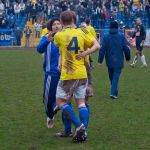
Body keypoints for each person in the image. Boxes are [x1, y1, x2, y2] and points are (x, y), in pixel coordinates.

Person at [54, 11, 100, 142]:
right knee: (81, 103)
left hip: (68, 74)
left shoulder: (59, 35)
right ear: (74, 20)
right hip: (82, 72)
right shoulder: (82, 32)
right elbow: (97, 45)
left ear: (62, 22)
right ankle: (83, 131)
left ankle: (79, 127)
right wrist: (86, 52)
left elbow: (60, 47)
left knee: (61, 102)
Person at [98, 21, 131, 99]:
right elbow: (126, 48)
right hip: (119, 60)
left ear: (110, 27)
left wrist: (100, 60)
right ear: (117, 27)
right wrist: (128, 57)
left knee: (112, 77)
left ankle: (113, 92)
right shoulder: (121, 36)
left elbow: (102, 49)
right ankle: (113, 92)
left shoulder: (105, 36)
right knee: (115, 77)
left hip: (109, 60)